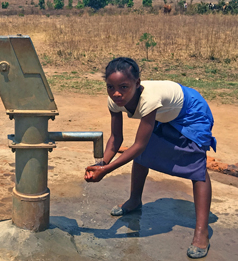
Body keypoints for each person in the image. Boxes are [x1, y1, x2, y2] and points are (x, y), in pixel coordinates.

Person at [84, 57, 215, 259]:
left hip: (191, 113)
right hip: (166, 114)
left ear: (137, 84)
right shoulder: (114, 101)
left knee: (197, 168)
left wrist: (106, 171)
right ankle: (134, 201)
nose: (116, 93)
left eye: (124, 87)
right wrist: (101, 163)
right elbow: (116, 137)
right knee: (142, 156)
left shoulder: (149, 99)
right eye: (110, 87)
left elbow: (139, 145)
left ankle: (201, 232)